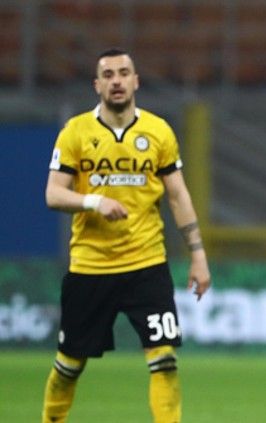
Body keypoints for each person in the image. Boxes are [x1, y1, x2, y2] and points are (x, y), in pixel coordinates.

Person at [42, 48, 211, 423]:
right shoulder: (76, 132)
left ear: (135, 81)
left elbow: (178, 195)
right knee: (69, 365)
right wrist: (92, 201)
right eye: (108, 74)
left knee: (165, 360)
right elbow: (53, 193)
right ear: (97, 84)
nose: (116, 80)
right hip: (90, 265)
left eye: (123, 73)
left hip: (146, 264)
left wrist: (197, 255)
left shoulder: (158, 131)